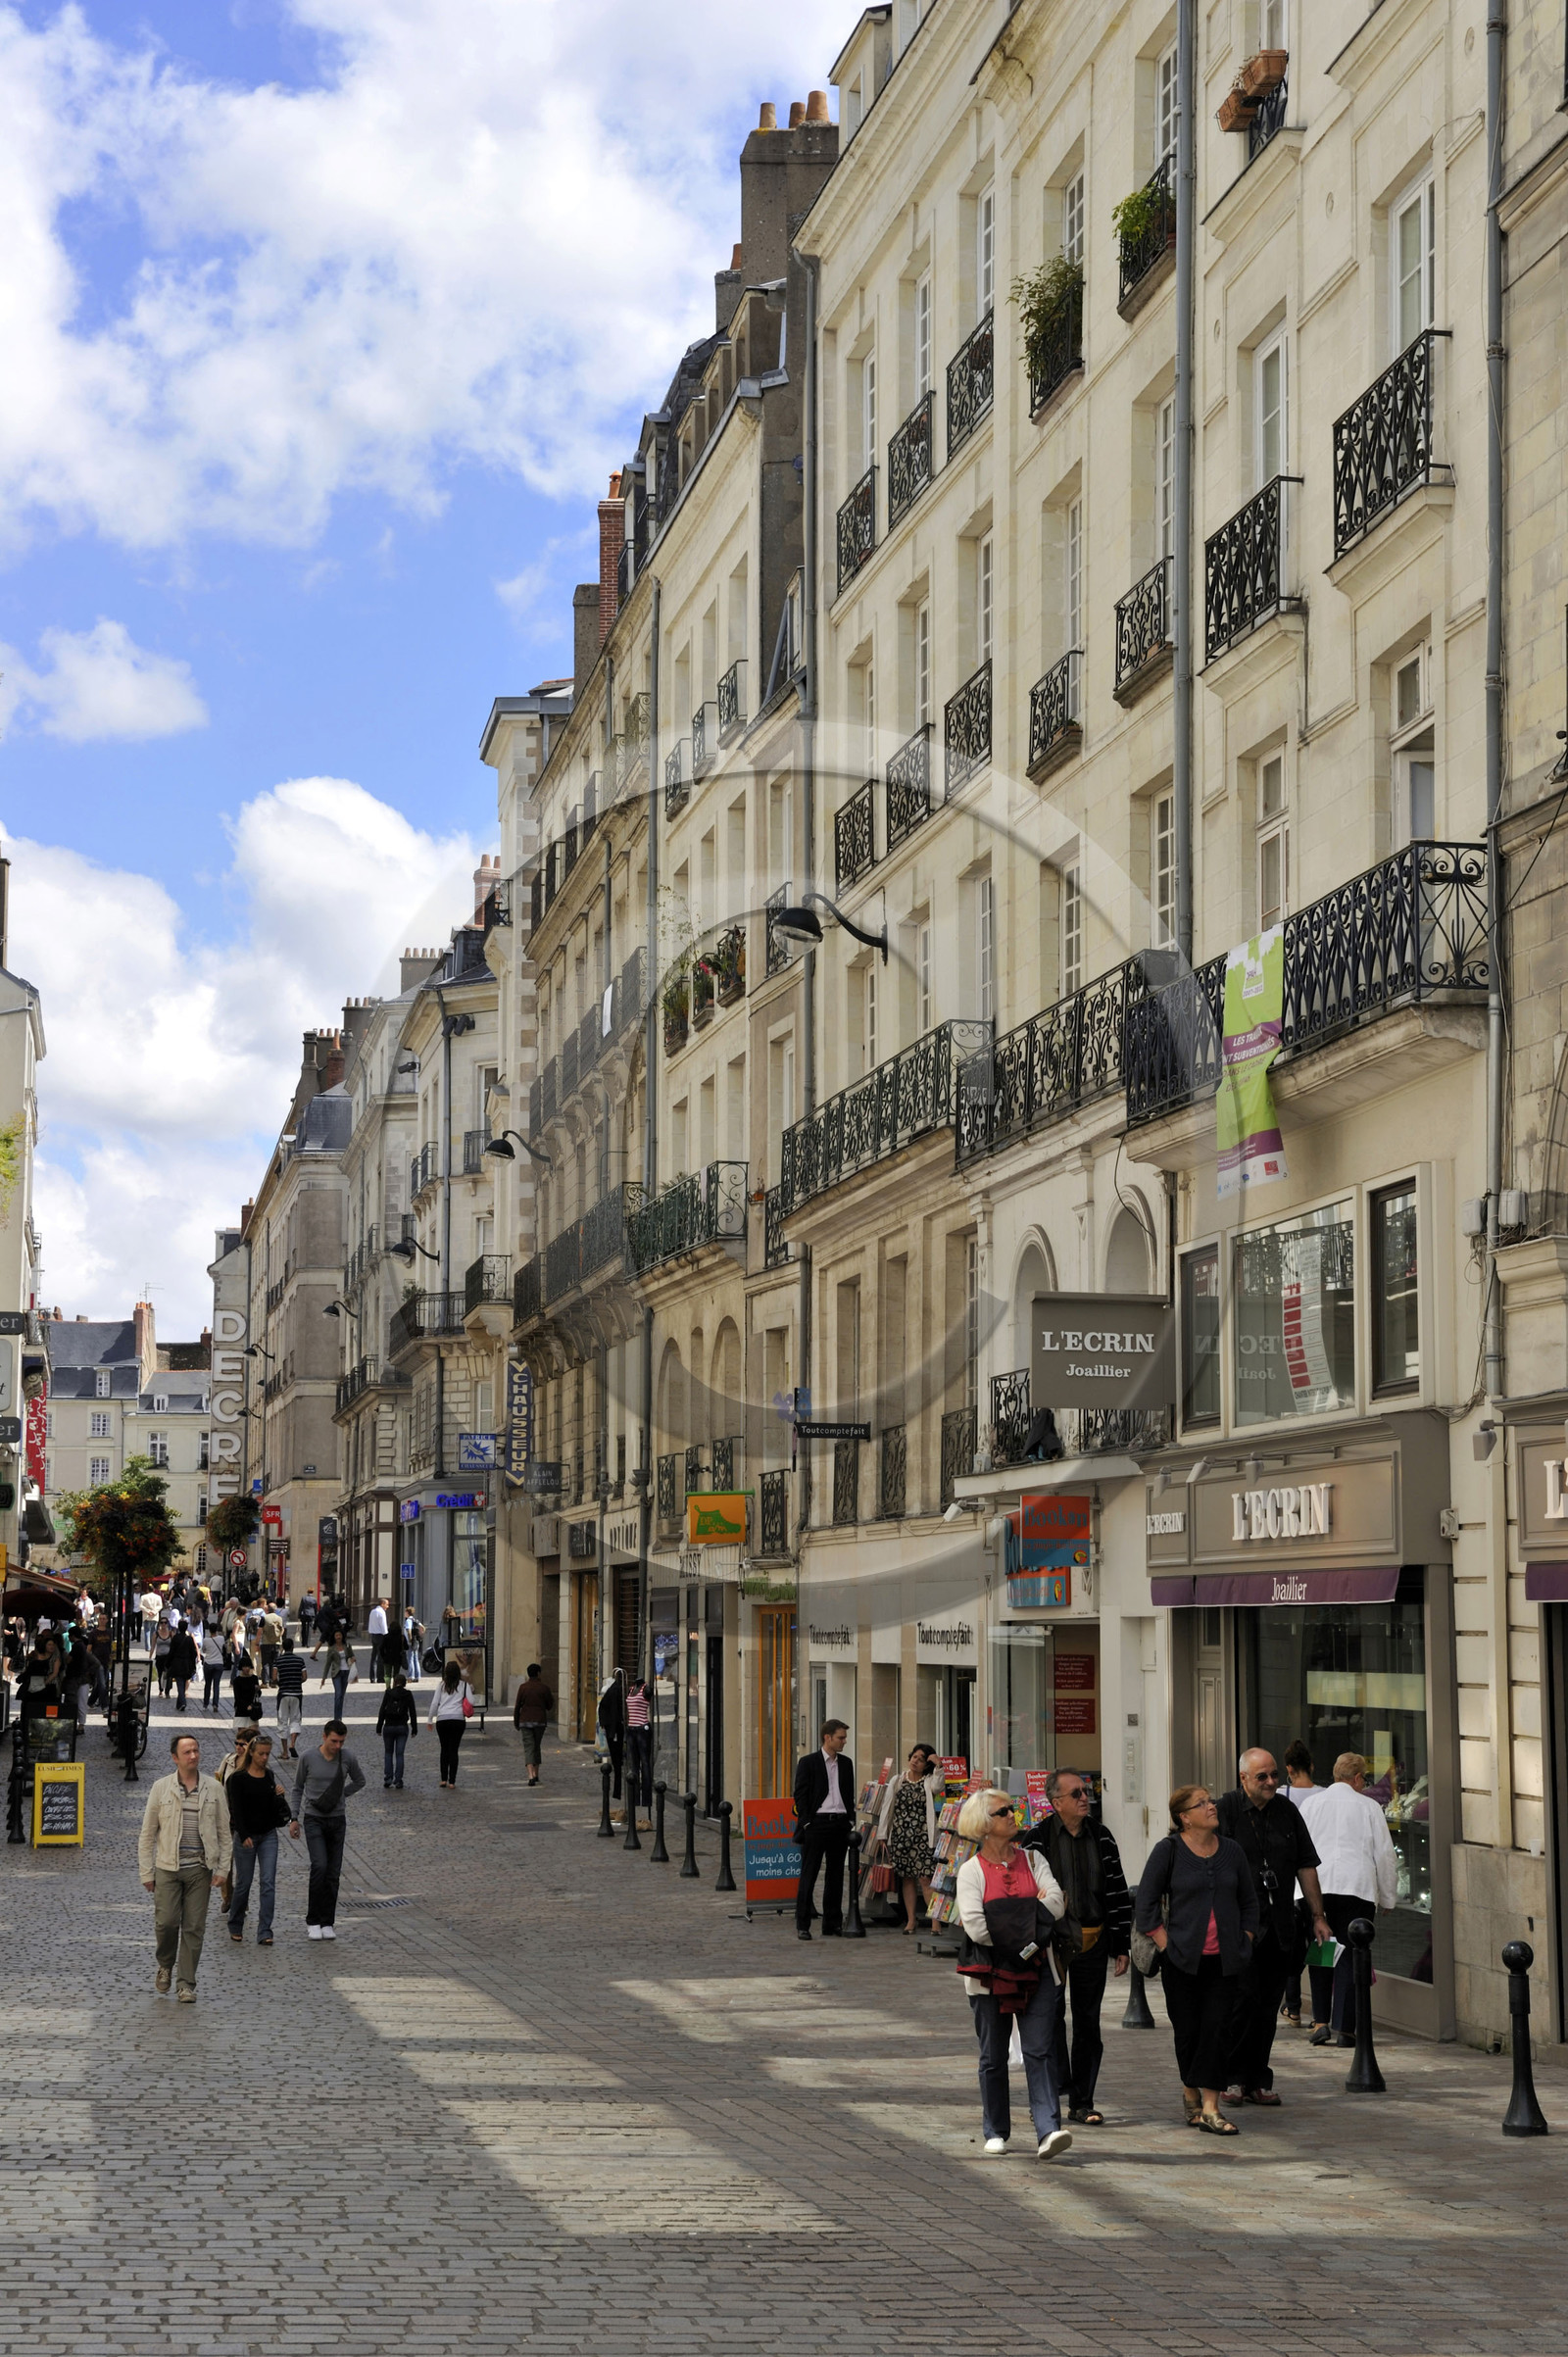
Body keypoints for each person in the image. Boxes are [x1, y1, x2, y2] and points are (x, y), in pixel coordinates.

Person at [954, 1788, 1073, 2160]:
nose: (1012, 1814)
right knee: (992, 2055)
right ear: (983, 1826)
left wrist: (1007, 1914)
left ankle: (1048, 2130)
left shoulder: (1035, 1860)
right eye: (1002, 1811)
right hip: (990, 1973)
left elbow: (1055, 1903)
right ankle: (995, 2129)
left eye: (1012, 1808)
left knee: (1040, 2049)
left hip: (1038, 1969)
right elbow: (975, 1926)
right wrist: (1028, 1914)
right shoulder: (970, 1872)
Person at [1136, 1786, 1259, 2136]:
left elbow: (1250, 1903)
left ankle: (1210, 2108)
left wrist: (1245, 1940)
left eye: (1211, 1801)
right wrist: (1165, 1945)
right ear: (1184, 1817)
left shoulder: (1232, 1851)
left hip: (1225, 1961)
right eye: (1201, 1804)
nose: (1211, 1807)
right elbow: (1145, 1905)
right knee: (1188, 2031)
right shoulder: (1168, 1851)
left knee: (1217, 2030)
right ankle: (1190, 2088)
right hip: (1182, 1962)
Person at [1216, 1749, 1332, 2107]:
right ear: (1243, 1779)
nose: (1271, 1782)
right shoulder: (1225, 1811)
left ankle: (1257, 2079)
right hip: (1239, 1928)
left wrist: (1318, 1915)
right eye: (1262, 1777)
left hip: (1280, 1925)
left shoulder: (1287, 1811)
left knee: (1268, 2006)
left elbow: (1307, 1865)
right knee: (1241, 2002)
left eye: (1273, 1775)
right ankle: (1232, 2077)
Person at [1020, 1767, 1133, 2127]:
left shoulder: (1102, 1837)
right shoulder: (1037, 1839)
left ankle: (1083, 2100)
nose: (1085, 1798)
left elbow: (1117, 1892)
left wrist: (1121, 1945)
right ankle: (1055, 2088)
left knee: (1088, 2022)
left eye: (1085, 1792)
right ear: (1056, 1803)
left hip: (1092, 1939)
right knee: (1050, 2018)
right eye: (1076, 1794)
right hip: (1052, 1945)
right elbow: (1028, 1894)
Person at [1298, 1752, 1399, 2047]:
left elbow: (1300, 1850)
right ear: (1357, 1779)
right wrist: (1388, 1897)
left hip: (1317, 1886)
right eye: (1364, 1778)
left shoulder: (1312, 1805)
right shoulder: (1369, 1807)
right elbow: (1385, 1856)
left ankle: (1320, 2020)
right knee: (1351, 1954)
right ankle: (1345, 2027)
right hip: (1356, 1888)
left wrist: (1296, 1893)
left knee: (1321, 1950)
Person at [137, 1731, 233, 2001]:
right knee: (166, 1923)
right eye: (187, 1752)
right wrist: (147, 1872)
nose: (193, 1755)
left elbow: (224, 1833)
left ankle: (186, 1984)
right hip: (167, 1867)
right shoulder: (161, 1788)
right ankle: (165, 1965)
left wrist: (223, 1870)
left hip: (199, 1870)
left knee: (194, 1927)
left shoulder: (214, 1788)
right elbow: (147, 1834)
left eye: (196, 1750)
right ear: (174, 1758)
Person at [289, 1719, 367, 1939]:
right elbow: (297, 1788)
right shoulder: (308, 1757)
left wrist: (342, 1795)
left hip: (337, 1820)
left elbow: (360, 1781)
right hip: (314, 1818)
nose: (338, 1746)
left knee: (333, 1873)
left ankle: (327, 1922)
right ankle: (313, 1920)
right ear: (324, 1737)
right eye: (334, 1741)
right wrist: (294, 1817)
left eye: (341, 1741)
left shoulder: (348, 1757)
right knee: (320, 1866)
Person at [792, 1719, 855, 1941]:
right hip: (816, 1824)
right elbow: (800, 1794)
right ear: (827, 1738)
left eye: (844, 1737)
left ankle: (832, 1923)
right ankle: (803, 1924)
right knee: (809, 1874)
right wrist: (807, 1822)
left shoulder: (846, 1764)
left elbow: (848, 1793)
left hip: (839, 1824)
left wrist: (850, 1820)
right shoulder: (808, 1762)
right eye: (841, 1737)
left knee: (836, 1876)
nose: (844, 1741)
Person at [225, 1731, 288, 1945]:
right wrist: (243, 1835)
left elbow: (271, 1807)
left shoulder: (269, 1776)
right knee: (244, 1882)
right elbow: (237, 1811)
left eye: (268, 1754)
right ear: (251, 1753)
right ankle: (235, 1923)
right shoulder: (238, 1779)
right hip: (247, 1836)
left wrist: (279, 1795)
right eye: (261, 1754)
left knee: (268, 1882)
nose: (264, 1758)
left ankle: (265, 1930)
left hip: (268, 1834)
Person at [876, 1744, 940, 1933]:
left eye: (921, 1759)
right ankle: (911, 1920)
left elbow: (939, 1785)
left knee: (925, 1878)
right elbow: (887, 1808)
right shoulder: (898, 1780)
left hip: (922, 1837)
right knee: (907, 1879)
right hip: (901, 1836)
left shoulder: (929, 1781)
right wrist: (882, 1834)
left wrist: (939, 1767)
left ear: (926, 1765)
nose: (915, 1761)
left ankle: (935, 1921)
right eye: (914, 1757)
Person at [1280, 1740, 1317, 2025]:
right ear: (1312, 1766)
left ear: (1289, 1768)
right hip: (1319, 1880)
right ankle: (1321, 2009)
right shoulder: (1325, 1795)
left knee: (1293, 1945)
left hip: (1291, 1883)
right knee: (1318, 1941)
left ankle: (1292, 2007)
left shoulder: (1281, 1796)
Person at [427, 1659, 474, 1789]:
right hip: (458, 1719)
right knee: (454, 1750)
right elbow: (472, 1701)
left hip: (442, 1719)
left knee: (444, 1749)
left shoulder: (441, 1685)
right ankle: (452, 1781)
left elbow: (434, 1703)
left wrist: (430, 1720)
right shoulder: (464, 1685)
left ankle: (443, 1779)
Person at [512, 1662, 554, 1785]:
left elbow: (517, 1706)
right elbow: (550, 1705)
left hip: (525, 1721)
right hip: (539, 1722)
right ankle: (536, 1773)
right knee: (536, 1746)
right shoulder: (544, 1688)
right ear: (538, 1673)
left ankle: (530, 1775)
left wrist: (516, 1721)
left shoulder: (523, 1687)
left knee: (528, 1748)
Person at [376, 1671, 418, 1789]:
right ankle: (398, 1780)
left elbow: (382, 1710)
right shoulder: (407, 1694)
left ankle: (388, 1778)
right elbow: (412, 1712)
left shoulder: (388, 1693)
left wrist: (379, 1727)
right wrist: (414, 1728)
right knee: (400, 1754)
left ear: (394, 1683)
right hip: (402, 1727)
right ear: (404, 1683)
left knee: (388, 1753)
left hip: (389, 1726)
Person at [624, 1676, 654, 1823]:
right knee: (633, 1765)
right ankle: (634, 1798)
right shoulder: (630, 1689)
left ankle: (647, 1798)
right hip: (631, 1729)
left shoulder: (646, 1689)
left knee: (645, 1763)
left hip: (643, 1729)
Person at [274, 1636, 307, 1759]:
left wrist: (280, 1683)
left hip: (283, 1693)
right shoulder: (300, 1661)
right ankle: (292, 1744)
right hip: (297, 1693)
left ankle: (285, 1752)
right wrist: (296, 1682)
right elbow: (304, 1677)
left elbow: (274, 1676)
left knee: (282, 1720)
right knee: (295, 1719)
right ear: (293, 1647)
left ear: (283, 1647)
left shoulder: (278, 1661)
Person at [597, 1669, 625, 1799]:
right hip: (615, 1729)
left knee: (617, 1761)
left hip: (614, 1728)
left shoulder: (613, 1690)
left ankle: (617, 1790)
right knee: (617, 1761)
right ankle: (617, 1790)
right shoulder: (615, 1691)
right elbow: (612, 1711)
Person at [318, 1633, 357, 1720]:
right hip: (337, 1673)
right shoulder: (332, 1648)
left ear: (342, 1636)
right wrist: (324, 1678)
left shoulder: (347, 1645)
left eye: (340, 1635)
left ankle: (340, 1716)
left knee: (342, 1695)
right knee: (338, 1695)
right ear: (334, 1637)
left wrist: (353, 1658)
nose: (338, 1637)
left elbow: (352, 1655)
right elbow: (328, 1664)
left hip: (346, 1672)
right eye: (336, 1635)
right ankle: (337, 1718)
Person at [199, 1625, 225, 1713]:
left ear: (209, 1630)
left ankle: (205, 1704)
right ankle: (215, 1704)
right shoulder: (221, 1638)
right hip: (219, 1664)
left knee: (207, 1685)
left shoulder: (206, 1640)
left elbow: (203, 1650)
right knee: (216, 1685)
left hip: (209, 1663)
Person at [259, 1605, 283, 1688]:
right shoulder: (279, 1618)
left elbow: (260, 1630)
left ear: (267, 1610)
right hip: (277, 1643)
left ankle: (265, 1682)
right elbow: (281, 1630)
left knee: (265, 1663)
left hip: (266, 1643)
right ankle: (273, 1682)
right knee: (275, 1663)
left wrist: (257, 1642)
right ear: (275, 1610)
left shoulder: (264, 1618)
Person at [367, 1596, 389, 1684]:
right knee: (381, 1657)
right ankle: (380, 1677)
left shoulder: (373, 1611)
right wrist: (386, 1635)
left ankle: (372, 1677)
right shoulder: (381, 1613)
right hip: (380, 1636)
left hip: (373, 1635)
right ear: (382, 1604)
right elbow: (383, 1625)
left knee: (373, 1657)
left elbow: (370, 1623)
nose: (388, 1606)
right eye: (387, 1604)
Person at [403, 1609, 424, 1681]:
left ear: (408, 1613)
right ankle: (417, 1676)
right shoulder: (415, 1620)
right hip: (416, 1641)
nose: (404, 1613)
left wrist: (410, 1640)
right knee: (416, 1659)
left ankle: (411, 1676)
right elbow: (423, 1628)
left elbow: (408, 1631)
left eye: (405, 1612)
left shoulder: (408, 1621)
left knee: (410, 1659)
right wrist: (420, 1635)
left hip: (411, 1642)